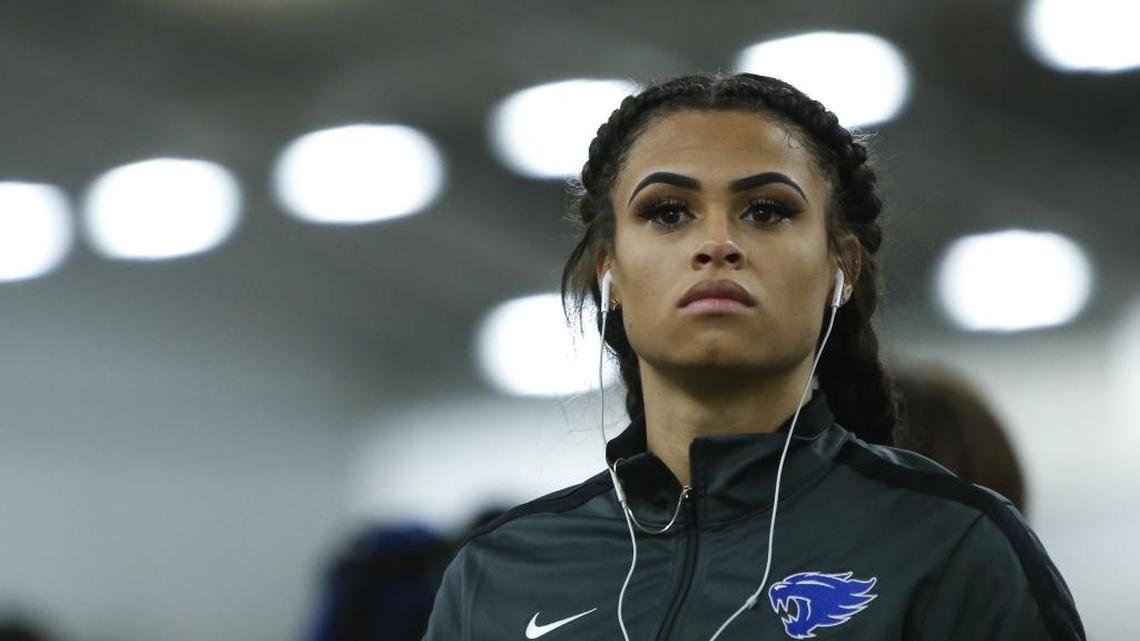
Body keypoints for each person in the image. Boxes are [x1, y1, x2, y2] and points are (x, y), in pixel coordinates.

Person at [422, 72, 1084, 640]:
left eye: (766, 211)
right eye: (668, 212)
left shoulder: (953, 547)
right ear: (610, 269)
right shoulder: (497, 573)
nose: (716, 242)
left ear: (842, 267)